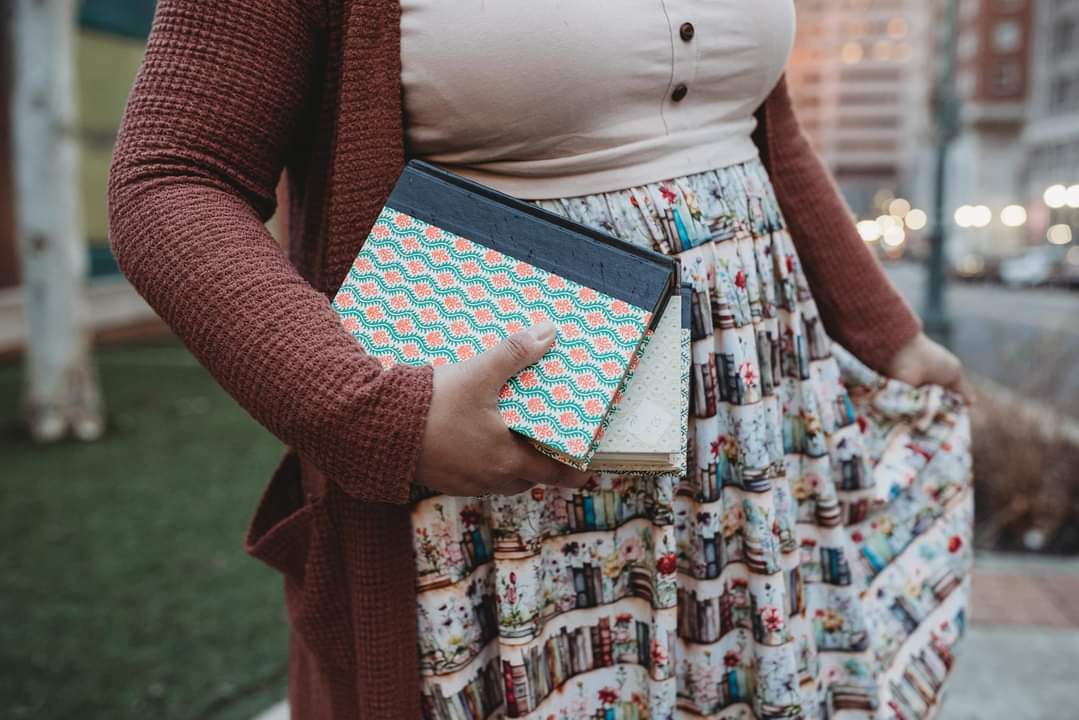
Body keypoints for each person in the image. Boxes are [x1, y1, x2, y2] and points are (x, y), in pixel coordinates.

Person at [108, 1, 975, 718]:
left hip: (751, 440)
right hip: (507, 471)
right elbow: (173, 176)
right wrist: (377, 416)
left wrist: (887, 336)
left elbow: (757, 124)